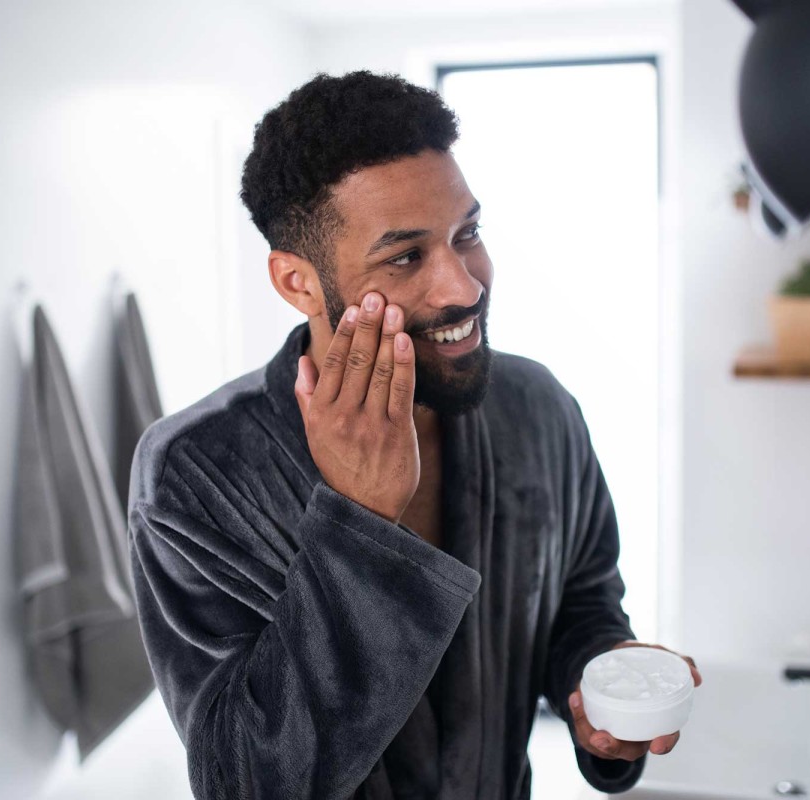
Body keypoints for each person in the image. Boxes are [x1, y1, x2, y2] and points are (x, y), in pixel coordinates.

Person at [127, 70, 701, 800]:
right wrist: (359, 523)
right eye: (405, 257)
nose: (462, 286)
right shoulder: (195, 473)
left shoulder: (538, 408)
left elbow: (583, 601)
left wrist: (600, 687)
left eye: (469, 234)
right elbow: (247, 782)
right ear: (297, 283)